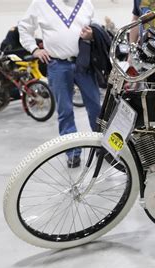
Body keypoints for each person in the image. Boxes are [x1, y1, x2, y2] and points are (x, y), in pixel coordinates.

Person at [18, 0, 101, 168]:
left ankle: (102, 146)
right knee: (65, 110)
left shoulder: (86, 3)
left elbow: (96, 29)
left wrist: (92, 34)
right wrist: (34, 49)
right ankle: (72, 152)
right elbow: (24, 27)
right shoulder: (40, 4)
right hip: (58, 65)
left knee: (95, 107)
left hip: (84, 63)